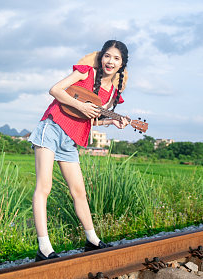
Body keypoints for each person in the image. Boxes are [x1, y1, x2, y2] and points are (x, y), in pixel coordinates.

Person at [28, 40, 129, 261]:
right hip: (52, 127)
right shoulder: (86, 73)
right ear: (101, 57)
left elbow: (88, 119)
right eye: (107, 56)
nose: (110, 61)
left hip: (70, 141)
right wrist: (80, 105)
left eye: (116, 58)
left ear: (122, 64)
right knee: (44, 187)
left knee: (79, 192)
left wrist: (111, 122)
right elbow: (55, 90)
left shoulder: (111, 92)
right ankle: (44, 247)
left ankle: (92, 240)